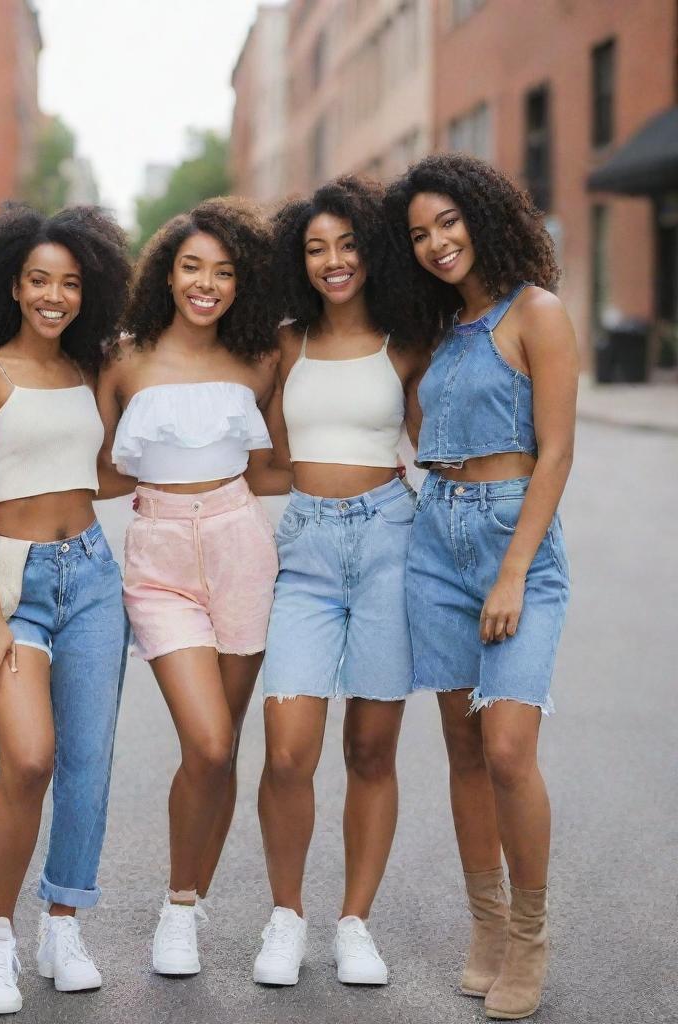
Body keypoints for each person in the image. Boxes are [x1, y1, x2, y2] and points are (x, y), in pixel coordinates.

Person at [386, 153, 577, 1020]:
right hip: (436, 535)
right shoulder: (433, 333)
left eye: (447, 223)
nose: (435, 243)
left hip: (512, 543)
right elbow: (422, 430)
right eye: (420, 234)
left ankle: (529, 935)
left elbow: (557, 452)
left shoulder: (537, 314)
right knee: (463, 750)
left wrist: (512, 571)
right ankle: (487, 927)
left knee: (506, 748)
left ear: (483, 217)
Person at [96, 197, 288, 977]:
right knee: (205, 741)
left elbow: (275, 465)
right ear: (166, 273)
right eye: (192, 267)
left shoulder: (263, 357)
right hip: (160, 553)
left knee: (223, 749)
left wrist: (373, 476)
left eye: (224, 271)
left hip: (241, 541)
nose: (206, 284)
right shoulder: (124, 357)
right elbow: (100, 469)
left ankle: (192, 903)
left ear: (244, 283)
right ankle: (178, 904)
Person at [0, 204, 131, 1015]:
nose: (53, 296)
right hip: (14, 584)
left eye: (68, 283)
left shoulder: (94, 370)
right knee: (29, 759)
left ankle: (63, 924)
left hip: (90, 572)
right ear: (12, 286)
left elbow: (106, 468)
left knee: (86, 765)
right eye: (38, 281)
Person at [252, 177, 433, 987]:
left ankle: (354, 922)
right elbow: (250, 448)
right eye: (317, 248)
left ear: (373, 250)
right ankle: (285, 916)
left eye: (349, 244)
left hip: (392, 539)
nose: (334, 261)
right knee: (288, 750)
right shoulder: (285, 344)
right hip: (307, 549)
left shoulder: (405, 344)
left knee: (370, 747)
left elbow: (439, 449)